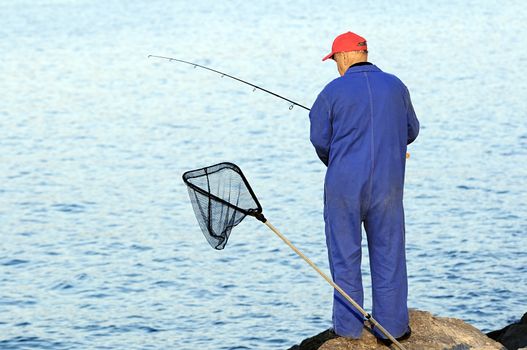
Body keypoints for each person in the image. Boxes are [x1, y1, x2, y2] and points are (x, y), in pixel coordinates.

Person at [309, 31, 420, 342]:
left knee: (345, 255)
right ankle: (393, 328)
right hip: (388, 183)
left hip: (344, 184)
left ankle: (348, 329)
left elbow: (320, 140)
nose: (336, 66)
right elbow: (411, 130)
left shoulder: (331, 92)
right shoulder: (396, 86)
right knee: (389, 252)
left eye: (334, 61)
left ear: (343, 57)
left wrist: (342, 156)